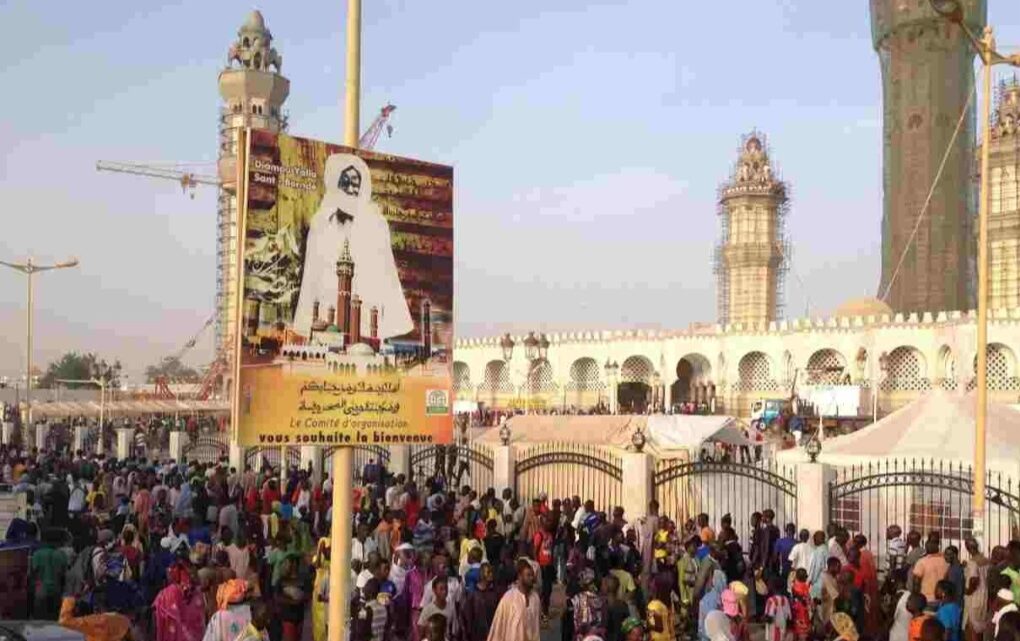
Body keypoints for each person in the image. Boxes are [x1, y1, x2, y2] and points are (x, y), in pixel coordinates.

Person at [487, 559, 541, 641]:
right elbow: (498, 627)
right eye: (528, 575)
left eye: (532, 575)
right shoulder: (508, 599)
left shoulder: (535, 599)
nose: (531, 578)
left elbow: (536, 629)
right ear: (520, 576)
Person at [30, 527, 68, 620]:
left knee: (40, 622)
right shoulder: (61, 555)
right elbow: (64, 575)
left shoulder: (37, 554)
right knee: (54, 621)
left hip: (40, 592)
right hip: (56, 592)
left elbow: (33, 574)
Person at [461, 563, 500, 641]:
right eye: (488, 572)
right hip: (477, 635)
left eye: (492, 572)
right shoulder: (472, 595)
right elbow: (467, 618)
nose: (491, 574)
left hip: (493, 633)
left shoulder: (494, 593)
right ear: (482, 574)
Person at [964, 538, 990, 641]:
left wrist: (968, 591)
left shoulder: (973, 562)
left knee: (972, 627)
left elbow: (974, 580)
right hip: (984, 596)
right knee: (980, 627)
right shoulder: (986, 560)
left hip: (974, 597)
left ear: (967, 548)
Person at [914, 539, 949, 606]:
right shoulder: (946, 561)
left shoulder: (921, 562)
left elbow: (916, 582)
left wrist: (915, 598)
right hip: (944, 599)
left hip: (926, 599)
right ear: (938, 547)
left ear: (926, 548)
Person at [763, 576, 791, 641]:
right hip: (783, 630)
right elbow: (789, 616)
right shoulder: (785, 599)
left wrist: (763, 618)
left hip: (773, 633)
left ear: (772, 587)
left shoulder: (771, 601)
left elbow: (769, 617)